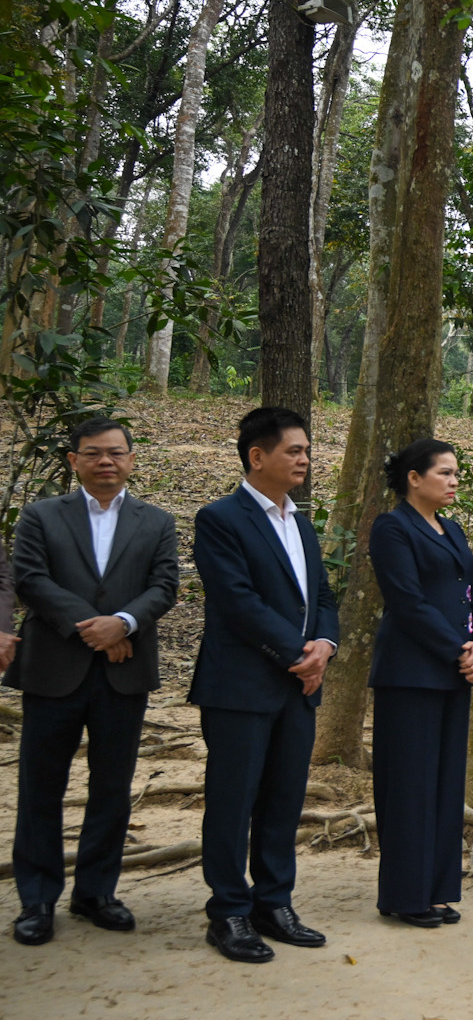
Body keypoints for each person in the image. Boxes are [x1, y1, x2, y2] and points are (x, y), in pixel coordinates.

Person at [7, 417, 179, 946]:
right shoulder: (40, 516)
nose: (106, 461)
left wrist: (123, 624)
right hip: (53, 669)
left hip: (123, 674)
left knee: (112, 786)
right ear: (73, 460)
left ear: (131, 459)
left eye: (116, 453)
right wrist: (96, 629)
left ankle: (97, 893)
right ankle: (37, 899)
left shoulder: (156, 521)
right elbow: (31, 579)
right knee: (41, 786)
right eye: (93, 453)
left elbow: (165, 584)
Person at [190, 407, 339, 963]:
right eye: (294, 451)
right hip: (241, 686)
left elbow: (322, 594)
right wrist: (297, 652)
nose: (305, 459)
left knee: (283, 799)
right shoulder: (221, 519)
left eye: (306, 450)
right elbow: (238, 602)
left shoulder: (299, 520)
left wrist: (324, 644)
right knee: (233, 800)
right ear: (258, 456)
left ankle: (274, 902)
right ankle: (228, 910)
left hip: (300, 685)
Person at [367, 438, 473, 929]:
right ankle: (404, 894)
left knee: (443, 785)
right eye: (444, 472)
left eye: (457, 473)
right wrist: (460, 649)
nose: (454, 480)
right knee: (409, 786)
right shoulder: (391, 528)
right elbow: (408, 602)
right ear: (413, 478)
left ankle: (438, 889)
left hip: (452, 675)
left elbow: (472, 593)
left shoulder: (454, 530)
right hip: (410, 675)